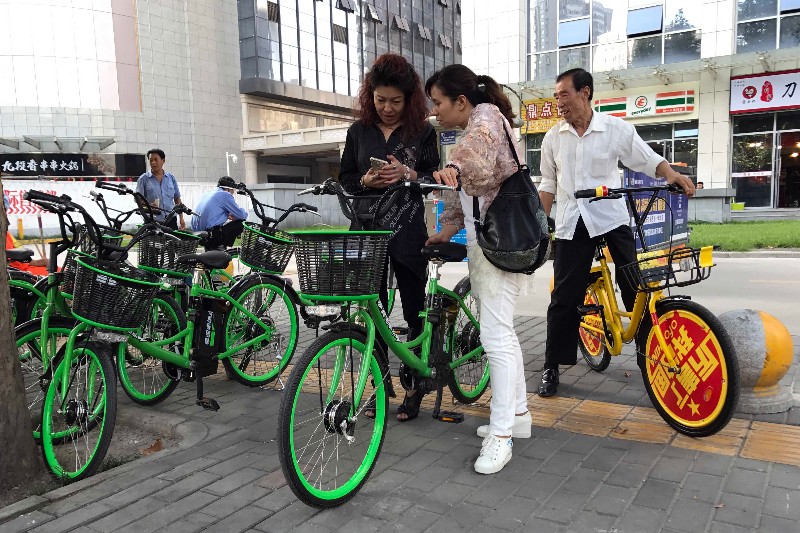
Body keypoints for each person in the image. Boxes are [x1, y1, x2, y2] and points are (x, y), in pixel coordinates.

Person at [537, 68, 696, 398]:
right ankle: (552, 364)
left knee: (634, 285)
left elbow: (646, 158)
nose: (558, 102)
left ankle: (647, 358)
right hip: (571, 220)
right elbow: (548, 183)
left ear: (585, 93)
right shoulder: (553, 137)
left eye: (564, 94)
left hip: (610, 216)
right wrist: (540, 222)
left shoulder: (615, 129)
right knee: (564, 298)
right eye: (555, 96)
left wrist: (671, 175)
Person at [425, 65, 530, 475]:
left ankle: (502, 436)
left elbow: (476, 165)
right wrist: (446, 228)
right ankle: (517, 416)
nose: (435, 111)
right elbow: (465, 192)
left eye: (438, 102)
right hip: (489, 240)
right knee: (500, 328)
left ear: (461, 101)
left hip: (496, 243)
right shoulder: (478, 120)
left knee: (496, 335)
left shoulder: (484, 119)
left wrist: (455, 168)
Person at [339, 53, 440, 422]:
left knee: (414, 305)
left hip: (408, 226)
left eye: (395, 101)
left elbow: (433, 178)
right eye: (380, 99)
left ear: (409, 98)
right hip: (366, 228)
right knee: (371, 307)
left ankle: (414, 387)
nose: (387, 108)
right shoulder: (357, 131)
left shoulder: (424, 131)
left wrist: (408, 173)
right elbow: (346, 178)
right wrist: (365, 181)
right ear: (371, 95)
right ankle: (378, 386)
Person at [191, 176, 249, 250]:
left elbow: (211, 213)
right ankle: (221, 246)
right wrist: (242, 214)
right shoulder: (225, 195)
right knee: (242, 223)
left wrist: (227, 214)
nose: (233, 193)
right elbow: (242, 215)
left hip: (199, 236)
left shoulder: (208, 194)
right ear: (228, 189)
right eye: (233, 190)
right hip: (212, 236)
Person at [136, 148, 186, 229]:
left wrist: (181, 218)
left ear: (163, 160)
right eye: (151, 160)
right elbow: (138, 199)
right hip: (152, 220)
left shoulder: (171, 178)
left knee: (172, 241)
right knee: (154, 242)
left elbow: (177, 199)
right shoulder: (143, 179)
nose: (153, 163)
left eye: (156, 159)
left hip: (171, 220)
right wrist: (147, 205)